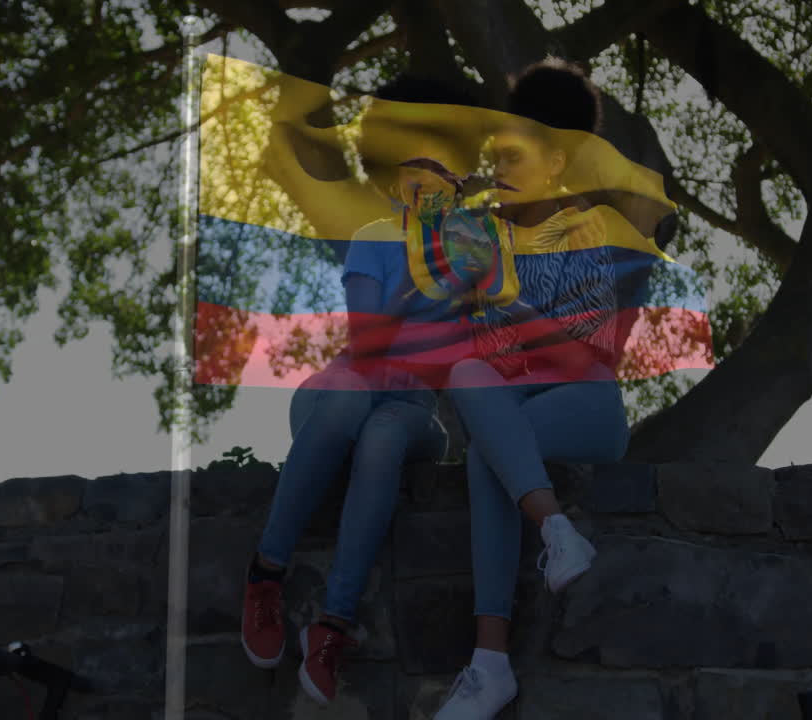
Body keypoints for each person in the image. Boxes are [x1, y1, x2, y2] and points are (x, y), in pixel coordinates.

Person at [240, 74, 485, 706]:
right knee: (354, 404)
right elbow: (368, 342)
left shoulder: (473, 251)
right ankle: (266, 575)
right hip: (342, 390)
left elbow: (468, 358)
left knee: (385, 436)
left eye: (441, 167)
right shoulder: (375, 238)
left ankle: (334, 624)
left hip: (412, 409)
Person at [433, 58, 635, 720]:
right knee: (473, 392)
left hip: (586, 405)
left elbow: (584, 357)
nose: (500, 167)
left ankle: (491, 662)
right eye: (499, 153)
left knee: (492, 450)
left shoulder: (583, 233)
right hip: (509, 407)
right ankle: (554, 534)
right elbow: (459, 355)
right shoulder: (477, 234)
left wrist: (507, 301)